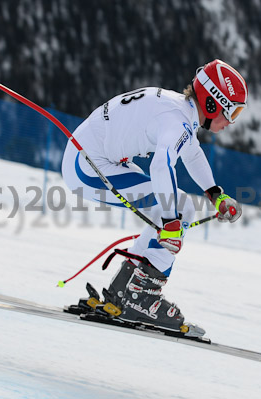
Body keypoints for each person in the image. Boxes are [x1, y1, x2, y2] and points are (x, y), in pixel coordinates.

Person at [61, 59, 248, 336]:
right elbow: (160, 166)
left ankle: (123, 293)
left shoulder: (180, 112)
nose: (231, 122)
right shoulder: (177, 122)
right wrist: (172, 223)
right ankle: (141, 297)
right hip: (88, 165)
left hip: (90, 157)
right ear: (211, 104)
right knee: (180, 208)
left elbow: (193, 154)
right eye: (231, 113)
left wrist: (215, 194)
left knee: (171, 208)